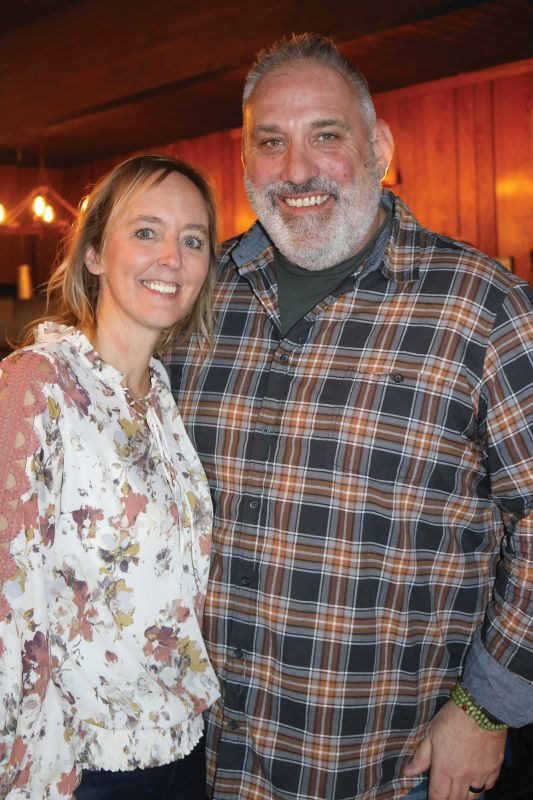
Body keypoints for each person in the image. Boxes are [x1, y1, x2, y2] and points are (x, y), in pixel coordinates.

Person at [165, 34, 533, 800]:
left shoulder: (481, 306)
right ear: (245, 162)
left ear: (380, 148)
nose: (295, 170)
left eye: (324, 136)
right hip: (201, 760)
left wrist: (486, 708)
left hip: (383, 765)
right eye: (271, 142)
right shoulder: (198, 298)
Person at [0, 154, 220, 799]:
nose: (172, 258)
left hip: (180, 751)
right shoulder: (36, 387)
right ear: (94, 253)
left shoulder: (163, 397)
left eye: (193, 240)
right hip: (75, 771)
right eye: (146, 231)